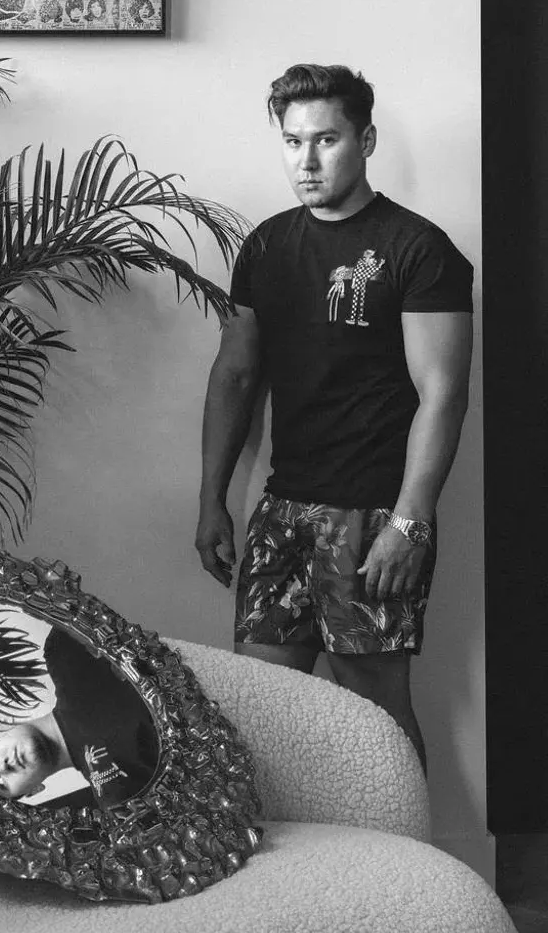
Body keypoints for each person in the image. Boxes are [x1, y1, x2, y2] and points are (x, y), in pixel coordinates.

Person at [195, 64, 473, 774]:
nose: (307, 161)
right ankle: (294, 842)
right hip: (281, 508)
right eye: (293, 142)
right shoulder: (266, 245)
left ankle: (403, 841)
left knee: (375, 712)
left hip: (372, 513)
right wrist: (211, 500)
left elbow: (442, 393)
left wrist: (411, 522)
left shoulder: (417, 247)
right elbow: (234, 375)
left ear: (365, 140)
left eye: (326, 140)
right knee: (262, 704)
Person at [0, 625, 159, 808]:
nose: (2, 767)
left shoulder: (64, 649)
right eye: (0, 784)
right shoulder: (117, 798)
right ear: (33, 792)